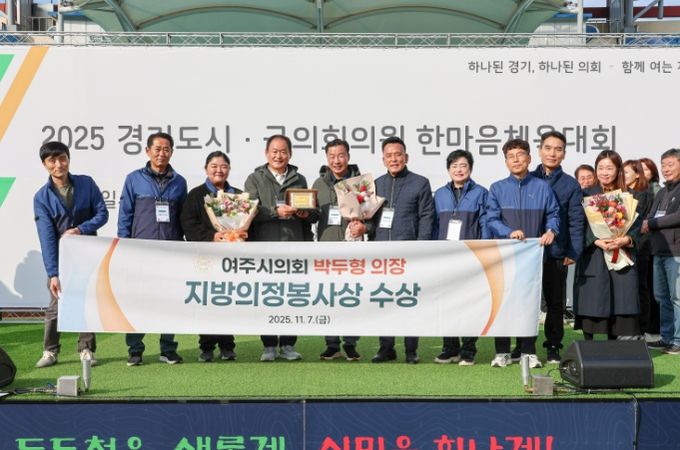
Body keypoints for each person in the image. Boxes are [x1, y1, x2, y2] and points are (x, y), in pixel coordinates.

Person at [33, 141, 109, 368]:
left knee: (86, 302)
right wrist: (53, 273)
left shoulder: (86, 184)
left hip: (87, 255)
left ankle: (86, 349)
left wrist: (80, 229)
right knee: (56, 305)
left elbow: (102, 214)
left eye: (62, 158)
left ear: (68, 159)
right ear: (45, 164)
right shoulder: (42, 197)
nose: (58, 165)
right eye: (52, 160)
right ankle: (50, 351)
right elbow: (46, 238)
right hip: (61, 260)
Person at [486, 138, 559, 369]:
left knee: (529, 304)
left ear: (529, 158)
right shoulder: (497, 188)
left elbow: (553, 214)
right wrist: (508, 232)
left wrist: (551, 230)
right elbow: (491, 219)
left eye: (520, 155)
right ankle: (502, 351)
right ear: (506, 162)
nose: (516, 160)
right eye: (511, 156)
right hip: (505, 257)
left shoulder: (542, 187)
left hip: (532, 257)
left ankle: (528, 351)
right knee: (503, 303)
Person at [244, 134, 317, 362]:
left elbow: (311, 213)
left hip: (294, 247)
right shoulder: (255, 178)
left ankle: (288, 344)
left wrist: (304, 213)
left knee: (291, 297)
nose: (279, 156)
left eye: (283, 151)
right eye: (274, 151)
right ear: (266, 153)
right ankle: (268, 345)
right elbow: (249, 211)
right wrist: (275, 212)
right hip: (264, 248)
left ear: (290, 154)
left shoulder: (299, 179)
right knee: (267, 296)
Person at [118, 132, 187, 366]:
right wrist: (124, 246)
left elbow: (182, 218)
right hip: (140, 252)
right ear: (147, 151)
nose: (162, 153)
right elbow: (125, 215)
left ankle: (168, 348)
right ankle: (135, 349)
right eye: (157, 149)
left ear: (172, 152)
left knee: (169, 301)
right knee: (138, 301)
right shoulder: (133, 179)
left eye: (166, 149)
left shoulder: (179, 182)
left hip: (170, 251)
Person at [370, 136, 435, 364]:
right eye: (389, 156)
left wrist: (420, 247)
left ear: (406, 157)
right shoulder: (375, 184)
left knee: (409, 301)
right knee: (384, 300)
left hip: (410, 254)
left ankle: (411, 350)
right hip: (382, 255)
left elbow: (426, 216)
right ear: (383, 160)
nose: (394, 159)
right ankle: (386, 348)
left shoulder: (420, 183)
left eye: (398, 155)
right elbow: (370, 219)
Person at [573, 150, 641, 341]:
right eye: (600, 168)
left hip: (621, 254)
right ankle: (588, 346)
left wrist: (627, 239)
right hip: (594, 255)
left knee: (621, 298)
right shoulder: (585, 195)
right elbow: (578, 224)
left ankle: (615, 345)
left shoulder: (629, 196)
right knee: (592, 298)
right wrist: (595, 240)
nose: (604, 172)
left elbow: (637, 226)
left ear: (618, 170)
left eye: (609, 168)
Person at [180, 151, 240, 362]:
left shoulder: (238, 196)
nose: (219, 170)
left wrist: (240, 233)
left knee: (227, 300)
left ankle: (227, 346)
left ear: (229, 169)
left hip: (230, 259)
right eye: (214, 166)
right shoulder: (196, 195)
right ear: (206, 169)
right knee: (206, 302)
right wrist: (212, 237)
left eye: (223, 166)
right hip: (204, 258)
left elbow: (248, 223)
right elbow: (188, 223)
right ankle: (206, 347)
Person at [530, 131, 584, 364]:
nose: (552, 153)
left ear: (564, 153)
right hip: (529, 252)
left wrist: (573, 251)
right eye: (548, 148)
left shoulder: (570, 184)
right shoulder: (527, 178)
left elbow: (576, 221)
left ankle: (553, 345)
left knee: (555, 302)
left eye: (558, 149)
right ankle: (525, 346)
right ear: (540, 150)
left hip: (556, 252)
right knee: (528, 301)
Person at [432, 149, 489, 366]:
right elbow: (435, 226)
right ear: (448, 169)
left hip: (471, 258)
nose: (459, 170)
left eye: (463, 165)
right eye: (454, 166)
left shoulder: (481, 193)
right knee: (447, 303)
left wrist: (483, 251)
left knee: (470, 304)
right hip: (445, 258)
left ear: (470, 169)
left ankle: (468, 350)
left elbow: (485, 224)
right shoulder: (440, 194)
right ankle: (450, 348)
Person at [312, 138, 365, 361]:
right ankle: (332, 344)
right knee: (328, 297)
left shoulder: (361, 183)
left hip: (353, 248)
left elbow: (372, 215)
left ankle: (351, 343)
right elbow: (313, 215)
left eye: (341, 155)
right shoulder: (318, 183)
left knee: (351, 296)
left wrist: (364, 227)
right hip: (327, 248)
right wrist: (305, 213)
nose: (337, 160)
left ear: (348, 157)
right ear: (327, 159)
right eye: (332, 156)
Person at [642, 149, 680, 355]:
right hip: (658, 250)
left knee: (677, 298)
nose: (666, 169)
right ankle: (666, 337)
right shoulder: (662, 191)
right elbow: (650, 215)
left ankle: (678, 340)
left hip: (676, 253)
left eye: (670, 164)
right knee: (661, 296)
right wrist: (648, 222)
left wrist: (652, 223)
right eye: (663, 165)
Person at [624, 160, 656, 343]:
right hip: (625, 246)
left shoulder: (644, 194)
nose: (623, 175)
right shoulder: (623, 193)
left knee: (641, 288)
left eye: (627, 172)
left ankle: (643, 328)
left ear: (637, 174)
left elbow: (638, 223)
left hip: (641, 247)